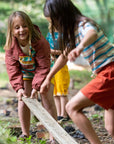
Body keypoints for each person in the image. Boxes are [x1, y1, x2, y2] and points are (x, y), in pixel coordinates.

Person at [40, 0, 114, 144]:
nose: (55, 27)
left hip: (110, 71)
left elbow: (91, 33)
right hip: (105, 72)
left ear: (62, 16)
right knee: (111, 127)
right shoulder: (72, 33)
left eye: (54, 22)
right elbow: (63, 57)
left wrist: (80, 48)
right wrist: (48, 78)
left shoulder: (83, 24)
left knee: (72, 107)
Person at [4, 11, 57, 143]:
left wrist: (37, 86)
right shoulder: (11, 45)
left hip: (44, 70)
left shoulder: (39, 41)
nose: (21, 30)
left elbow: (43, 66)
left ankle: (53, 135)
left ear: (30, 26)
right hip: (26, 71)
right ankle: (25, 133)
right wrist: (18, 88)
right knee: (23, 99)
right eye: (17, 28)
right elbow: (12, 68)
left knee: (46, 98)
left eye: (24, 26)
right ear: (11, 31)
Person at [46, 22, 70, 122]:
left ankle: (63, 114)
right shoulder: (49, 34)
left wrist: (56, 52)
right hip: (52, 66)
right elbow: (46, 48)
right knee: (55, 92)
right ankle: (58, 114)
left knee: (62, 92)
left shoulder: (64, 35)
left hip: (61, 66)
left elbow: (67, 51)